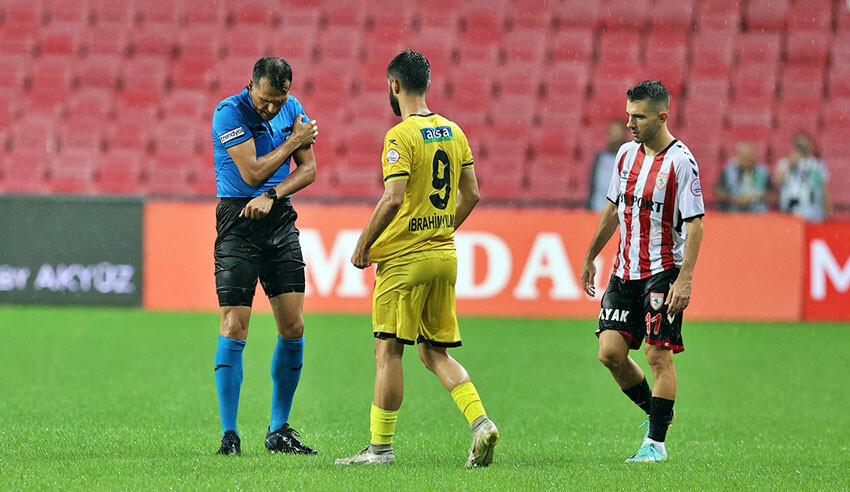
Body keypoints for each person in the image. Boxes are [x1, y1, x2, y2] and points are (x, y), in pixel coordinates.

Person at [335, 50, 499, 467]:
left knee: (389, 352)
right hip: (444, 256)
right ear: (426, 83)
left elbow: (392, 198)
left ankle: (380, 450)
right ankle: (481, 424)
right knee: (433, 352)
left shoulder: (400, 136)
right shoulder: (454, 132)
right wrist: (440, 230)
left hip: (405, 262)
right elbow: (473, 194)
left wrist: (362, 246)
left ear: (394, 85)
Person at [580, 80, 704, 463]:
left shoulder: (682, 162)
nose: (630, 123)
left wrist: (685, 280)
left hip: (663, 271)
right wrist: (590, 257)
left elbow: (696, 225)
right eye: (629, 114)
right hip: (624, 270)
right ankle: (658, 412)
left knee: (658, 356)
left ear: (662, 116)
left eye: (639, 116)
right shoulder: (624, 155)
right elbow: (613, 209)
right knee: (610, 352)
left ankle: (656, 444)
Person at [210, 57, 320, 456]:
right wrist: (292, 142)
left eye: (280, 99)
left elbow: (308, 171)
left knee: (293, 326)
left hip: (278, 218)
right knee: (234, 326)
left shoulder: (294, 109)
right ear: (251, 86)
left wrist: (274, 195)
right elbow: (253, 172)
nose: (273, 108)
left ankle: (279, 430)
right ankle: (229, 435)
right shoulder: (228, 112)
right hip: (237, 220)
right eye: (266, 99)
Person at [774, 132, 831, 222]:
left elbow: (825, 190)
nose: (802, 148)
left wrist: (828, 211)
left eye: (804, 145)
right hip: (790, 214)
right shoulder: (784, 162)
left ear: (810, 145)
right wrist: (789, 163)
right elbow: (776, 182)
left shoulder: (818, 165)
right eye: (799, 145)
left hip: (814, 213)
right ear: (794, 145)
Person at [715, 141, 772, 213]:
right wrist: (734, 199)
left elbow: (771, 194)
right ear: (737, 157)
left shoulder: (763, 172)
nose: (746, 159)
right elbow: (718, 192)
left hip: (758, 214)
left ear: (754, 156)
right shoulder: (728, 172)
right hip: (732, 213)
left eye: (749, 156)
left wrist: (754, 197)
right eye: (743, 156)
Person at [588, 120, 628, 211]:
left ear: (625, 134)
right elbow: (593, 185)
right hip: (599, 211)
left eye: (618, 133)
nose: (615, 137)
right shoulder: (601, 158)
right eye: (612, 133)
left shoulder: (631, 158)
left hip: (622, 214)